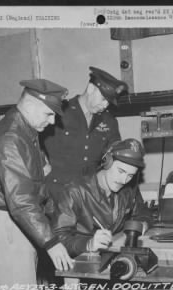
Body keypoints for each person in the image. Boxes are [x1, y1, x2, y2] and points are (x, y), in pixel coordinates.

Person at [0, 79, 74, 286]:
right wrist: (50, 242)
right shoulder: (10, 139)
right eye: (49, 114)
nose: (52, 122)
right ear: (30, 106)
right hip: (10, 224)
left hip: (21, 221)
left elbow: (39, 178)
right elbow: (21, 201)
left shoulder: (26, 130)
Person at [51, 138, 153, 257]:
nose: (124, 180)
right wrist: (88, 244)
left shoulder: (129, 188)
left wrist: (141, 226)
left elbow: (143, 213)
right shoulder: (75, 191)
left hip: (111, 257)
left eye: (130, 175)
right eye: (121, 171)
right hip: (78, 260)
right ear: (106, 161)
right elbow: (58, 239)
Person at [41, 66, 128, 198]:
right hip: (57, 193)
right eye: (103, 99)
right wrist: (41, 162)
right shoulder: (59, 113)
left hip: (90, 195)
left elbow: (116, 153)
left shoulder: (109, 121)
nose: (105, 105)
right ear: (91, 89)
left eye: (109, 102)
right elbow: (31, 139)